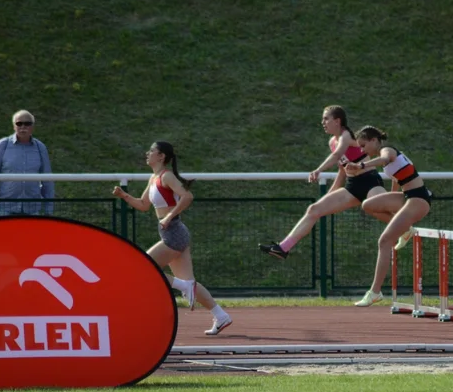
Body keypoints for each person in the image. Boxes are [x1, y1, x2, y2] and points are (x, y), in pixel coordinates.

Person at [112, 141, 232, 336]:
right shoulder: (154, 178)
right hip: (172, 232)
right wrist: (124, 195)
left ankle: (180, 290)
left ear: (161, 156)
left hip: (174, 232)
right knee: (188, 281)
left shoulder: (166, 176)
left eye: (152, 151)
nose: (147, 153)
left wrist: (168, 216)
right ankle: (221, 315)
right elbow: (143, 205)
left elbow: (187, 196)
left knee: (143, 268)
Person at [259, 105, 386, 260]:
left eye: (326, 118)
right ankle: (283, 248)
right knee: (314, 209)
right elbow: (342, 171)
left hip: (370, 182)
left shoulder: (346, 136)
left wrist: (318, 170)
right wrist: (329, 196)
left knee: (384, 210)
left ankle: (407, 228)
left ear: (337, 121)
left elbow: (337, 155)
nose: (322, 122)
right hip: (352, 187)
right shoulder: (332, 141)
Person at [346, 126, 434, 307]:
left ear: (373, 140)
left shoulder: (387, 150)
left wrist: (361, 165)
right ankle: (406, 230)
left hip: (419, 199)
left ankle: (375, 292)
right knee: (368, 204)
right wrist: (392, 202)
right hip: (407, 196)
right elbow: (396, 177)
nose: (362, 150)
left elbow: (385, 159)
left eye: (363, 145)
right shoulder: (390, 158)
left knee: (384, 241)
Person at [0, 110, 54, 217]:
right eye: (19, 123)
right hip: (6, 208)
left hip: (32, 209)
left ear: (32, 126)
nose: (23, 127)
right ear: (14, 126)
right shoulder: (3, 145)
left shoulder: (40, 147)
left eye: (27, 123)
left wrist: (49, 210)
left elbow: (48, 180)